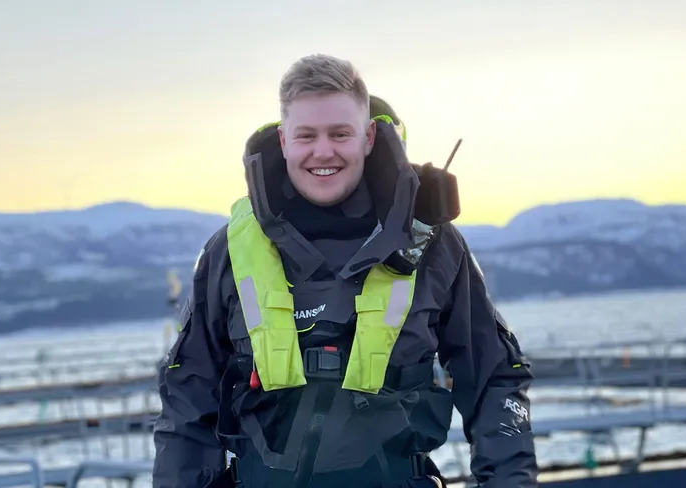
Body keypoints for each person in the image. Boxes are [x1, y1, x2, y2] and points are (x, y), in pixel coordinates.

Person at [153, 53, 538, 488]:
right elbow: (186, 403)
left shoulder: (434, 245)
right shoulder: (230, 252)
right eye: (306, 135)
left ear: (369, 136)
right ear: (283, 140)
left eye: (340, 134)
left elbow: (495, 381)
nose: (323, 151)